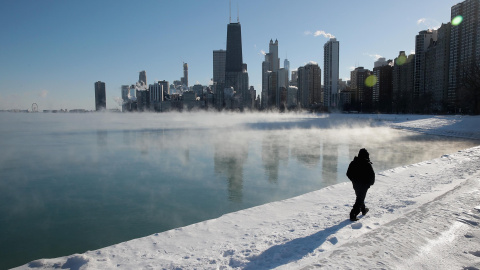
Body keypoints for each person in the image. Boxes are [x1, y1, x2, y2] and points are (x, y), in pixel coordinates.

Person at [346, 148, 375, 221]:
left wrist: (353, 180)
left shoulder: (353, 163)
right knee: (360, 198)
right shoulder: (367, 164)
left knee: (359, 197)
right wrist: (369, 184)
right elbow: (372, 176)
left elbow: (348, 173)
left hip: (355, 184)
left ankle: (363, 210)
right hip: (364, 185)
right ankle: (353, 214)